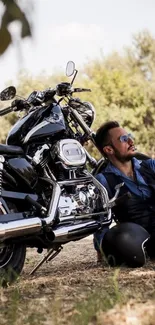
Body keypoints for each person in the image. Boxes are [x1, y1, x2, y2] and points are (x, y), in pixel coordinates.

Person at [94, 121, 155, 263]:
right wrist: (103, 250)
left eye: (129, 136)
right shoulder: (103, 180)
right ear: (109, 150)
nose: (130, 141)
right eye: (123, 139)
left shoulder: (150, 165)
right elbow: (100, 222)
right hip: (140, 242)